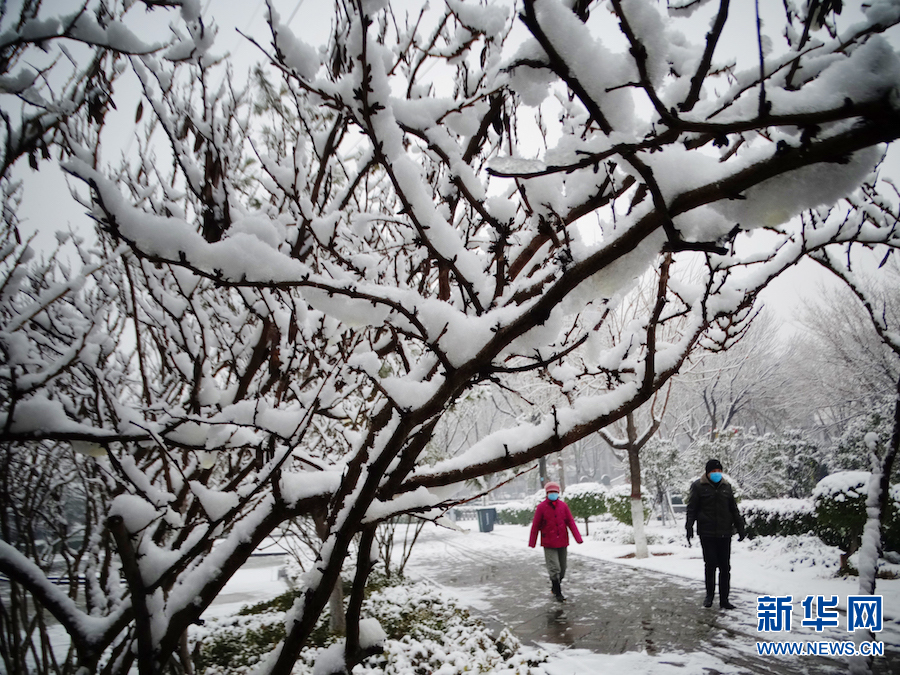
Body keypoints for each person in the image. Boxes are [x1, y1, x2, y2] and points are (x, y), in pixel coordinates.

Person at [685, 459, 746, 610]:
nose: (717, 474)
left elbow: (733, 508)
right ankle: (709, 596)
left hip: (725, 532)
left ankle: (724, 599)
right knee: (710, 565)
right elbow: (691, 508)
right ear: (707, 472)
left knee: (725, 567)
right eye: (714, 471)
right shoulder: (698, 486)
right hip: (707, 533)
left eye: (719, 471)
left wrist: (740, 527)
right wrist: (689, 527)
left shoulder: (726, 487)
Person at [528, 481, 583, 601]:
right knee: (554, 568)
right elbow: (535, 525)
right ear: (547, 493)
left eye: (555, 492)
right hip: (549, 542)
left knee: (562, 569)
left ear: (558, 493)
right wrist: (532, 541)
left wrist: (578, 537)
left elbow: (570, 522)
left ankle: (555, 585)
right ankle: (558, 593)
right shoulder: (541, 507)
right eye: (550, 492)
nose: (553, 494)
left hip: (562, 541)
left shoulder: (563, 506)